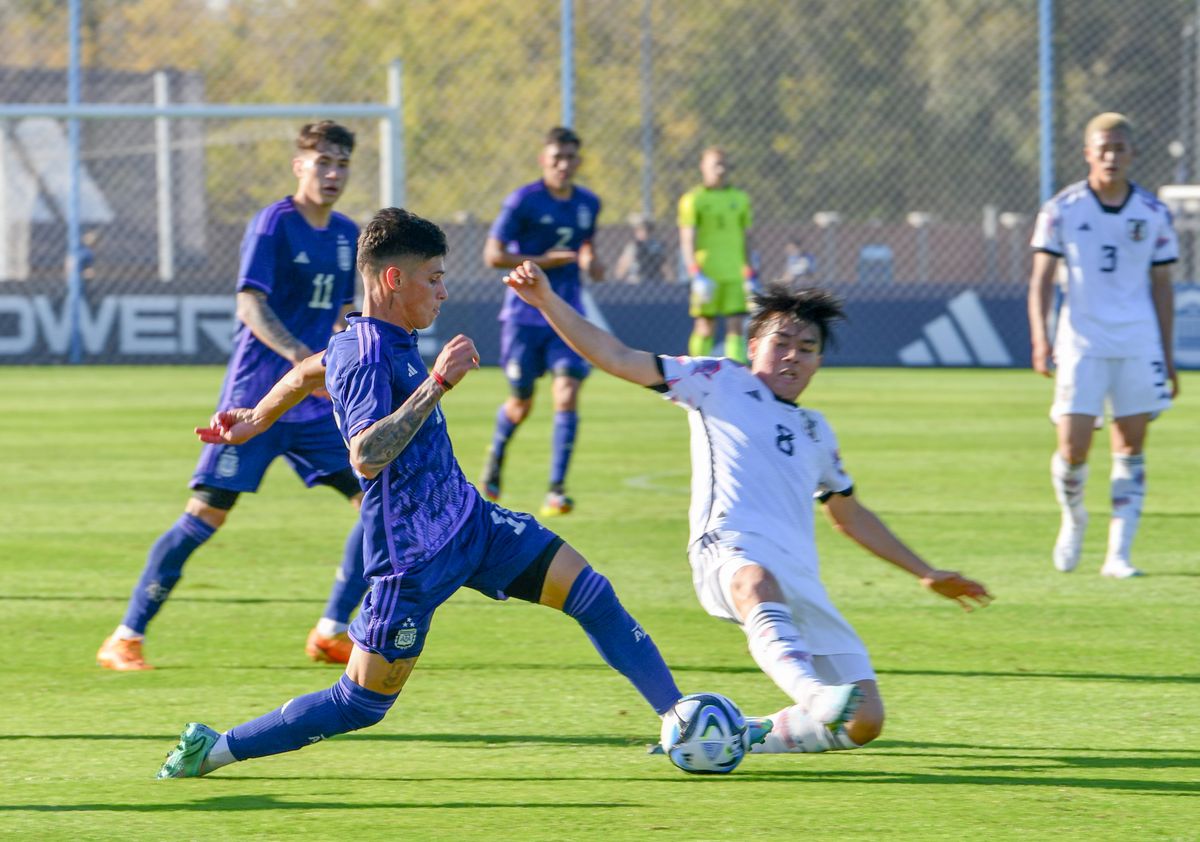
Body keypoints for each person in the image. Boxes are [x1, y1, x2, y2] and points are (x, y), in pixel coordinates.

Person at [157, 208, 684, 779]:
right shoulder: (367, 355)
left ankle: (680, 720)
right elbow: (365, 454)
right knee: (359, 704)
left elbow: (309, 371)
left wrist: (257, 418)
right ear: (393, 279)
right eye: (432, 278)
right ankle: (213, 749)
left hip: (473, 526)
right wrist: (436, 384)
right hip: (412, 562)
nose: (443, 290)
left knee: (591, 595)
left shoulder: (372, 339)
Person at [503, 261, 992, 754]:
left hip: (799, 576)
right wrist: (546, 300)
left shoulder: (816, 430)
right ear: (753, 345)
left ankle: (737, 736)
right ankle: (812, 693)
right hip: (728, 549)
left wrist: (925, 572)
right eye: (781, 344)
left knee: (865, 720)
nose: (792, 358)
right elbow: (616, 355)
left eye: (807, 349)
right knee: (756, 584)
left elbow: (849, 515)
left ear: (819, 361)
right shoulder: (718, 380)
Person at [96, 121, 369, 671]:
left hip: (316, 406)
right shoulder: (273, 224)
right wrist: (299, 356)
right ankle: (125, 637)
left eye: (341, 164)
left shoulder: (346, 234)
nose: (333, 173)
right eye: (323, 163)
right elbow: (249, 304)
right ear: (300, 166)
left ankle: (331, 630)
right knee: (205, 517)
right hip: (254, 404)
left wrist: (352, 349)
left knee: (378, 504)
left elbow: (343, 310)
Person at [1028, 112, 1179, 579]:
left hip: (1137, 343)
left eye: (1120, 148)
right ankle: (1073, 517)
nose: (1112, 156)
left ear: (1133, 154)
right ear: (1088, 153)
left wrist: (1167, 356)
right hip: (1081, 343)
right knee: (1073, 450)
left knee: (1130, 446)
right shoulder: (1063, 209)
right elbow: (1042, 279)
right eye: (1103, 148)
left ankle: (1118, 554)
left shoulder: (1153, 213)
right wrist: (1041, 336)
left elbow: (1162, 285)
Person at [480, 126, 604, 517]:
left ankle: (556, 490)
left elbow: (585, 248)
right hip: (523, 316)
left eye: (570, 158)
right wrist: (546, 261)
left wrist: (591, 261)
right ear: (543, 161)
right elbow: (493, 256)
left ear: (578, 161)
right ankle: (496, 454)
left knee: (566, 393)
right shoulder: (524, 201)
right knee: (521, 404)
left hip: (565, 314)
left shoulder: (588, 204)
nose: (564, 166)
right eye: (556, 159)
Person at [678, 147, 756, 363]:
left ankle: (736, 376)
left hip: (734, 272)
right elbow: (687, 239)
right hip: (707, 273)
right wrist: (695, 273)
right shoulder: (694, 199)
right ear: (703, 167)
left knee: (736, 325)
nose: (720, 170)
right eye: (715, 165)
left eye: (723, 164)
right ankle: (696, 371)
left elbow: (747, 237)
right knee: (705, 325)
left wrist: (750, 272)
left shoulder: (740, 198)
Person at [614, 213, 667, 284]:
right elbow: (622, 268)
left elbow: (665, 266)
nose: (642, 233)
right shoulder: (633, 246)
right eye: (639, 230)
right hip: (636, 282)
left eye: (645, 230)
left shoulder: (656, 246)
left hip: (655, 281)